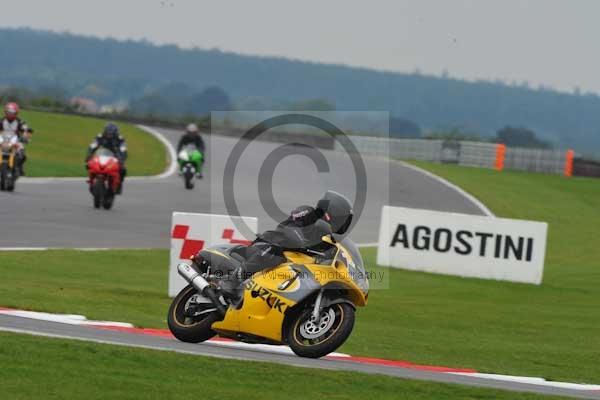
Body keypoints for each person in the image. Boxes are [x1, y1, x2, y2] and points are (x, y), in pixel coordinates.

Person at [86, 122, 128, 194]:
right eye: (108, 132)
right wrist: (89, 155)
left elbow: (123, 149)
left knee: (123, 170)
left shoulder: (120, 139)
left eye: (111, 133)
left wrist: (122, 159)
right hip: (103, 154)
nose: (109, 134)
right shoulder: (100, 136)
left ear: (115, 133)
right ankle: (91, 182)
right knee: (89, 164)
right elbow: (93, 145)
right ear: (105, 131)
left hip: (115, 156)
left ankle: (119, 185)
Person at [1, 102, 33, 175]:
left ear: (16, 113)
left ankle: (20, 167)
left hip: (16, 141)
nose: (10, 114)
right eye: (8, 112)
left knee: (22, 154)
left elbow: (25, 129)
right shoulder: (1, 121)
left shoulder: (20, 121)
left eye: (12, 113)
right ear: (5, 112)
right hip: (3, 141)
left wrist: (26, 135)